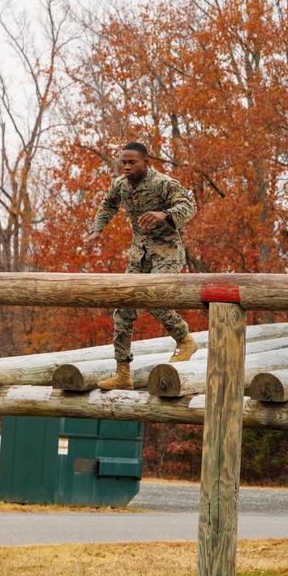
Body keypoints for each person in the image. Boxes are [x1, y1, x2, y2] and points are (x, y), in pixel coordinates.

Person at [82, 142, 198, 390]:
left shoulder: (163, 183)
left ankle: (185, 340)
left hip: (166, 253)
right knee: (123, 310)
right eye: (123, 162)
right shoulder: (120, 185)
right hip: (138, 256)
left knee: (154, 297)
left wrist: (164, 214)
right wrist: (97, 230)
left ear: (146, 162)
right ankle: (123, 374)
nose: (126, 166)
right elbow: (108, 204)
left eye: (132, 162)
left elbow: (188, 207)